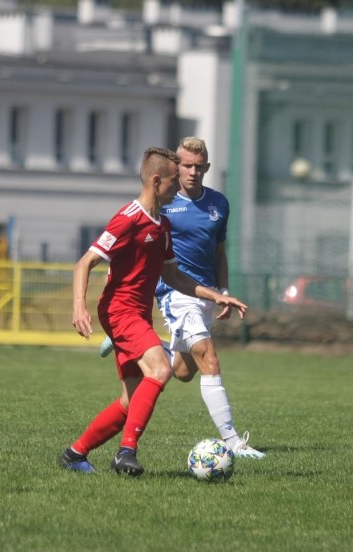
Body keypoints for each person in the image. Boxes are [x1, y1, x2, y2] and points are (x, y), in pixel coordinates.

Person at [59, 147, 248, 476]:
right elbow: (84, 262)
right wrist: (79, 306)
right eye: (174, 180)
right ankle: (126, 453)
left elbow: (172, 275)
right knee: (160, 370)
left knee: (130, 403)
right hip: (119, 311)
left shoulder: (161, 225)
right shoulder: (128, 218)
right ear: (157, 180)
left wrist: (215, 295)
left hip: (138, 314)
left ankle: (75, 454)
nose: (178, 187)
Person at [100, 136, 264, 458]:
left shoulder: (219, 204)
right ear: (177, 166)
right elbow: (133, 246)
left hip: (205, 294)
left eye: (198, 167)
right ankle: (234, 443)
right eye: (186, 166)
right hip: (176, 293)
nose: (192, 172)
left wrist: (223, 292)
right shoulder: (163, 203)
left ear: (207, 168)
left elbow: (219, 252)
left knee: (184, 372)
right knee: (209, 359)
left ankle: (150, 344)